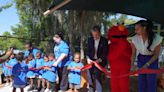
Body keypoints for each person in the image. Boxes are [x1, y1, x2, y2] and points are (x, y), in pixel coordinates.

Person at [131, 20, 163, 92]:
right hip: (141, 59)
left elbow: (156, 55)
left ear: (144, 28)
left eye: (137, 29)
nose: (135, 31)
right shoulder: (135, 39)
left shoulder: (157, 39)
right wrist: (132, 65)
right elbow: (133, 53)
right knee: (141, 81)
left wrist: (147, 64)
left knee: (151, 82)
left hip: (152, 60)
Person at [107, 25, 132, 92]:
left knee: (124, 84)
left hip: (124, 68)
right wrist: (120, 48)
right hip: (114, 69)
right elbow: (111, 57)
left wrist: (122, 48)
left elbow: (129, 55)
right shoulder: (110, 46)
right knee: (115, 84)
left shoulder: (127, 44)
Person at [86, 25, 108, 92]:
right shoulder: (90, 40)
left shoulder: (104, 40)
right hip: (91, 61)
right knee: (89, 76)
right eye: (93, 35)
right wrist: (88, 58)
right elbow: (87, 51)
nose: (94, 37)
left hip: (100, 61)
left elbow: (105, 53)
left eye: (96, 35)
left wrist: (100, 60)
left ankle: (98, 90)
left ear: (99, 33)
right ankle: (91, 90)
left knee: (98, 76)